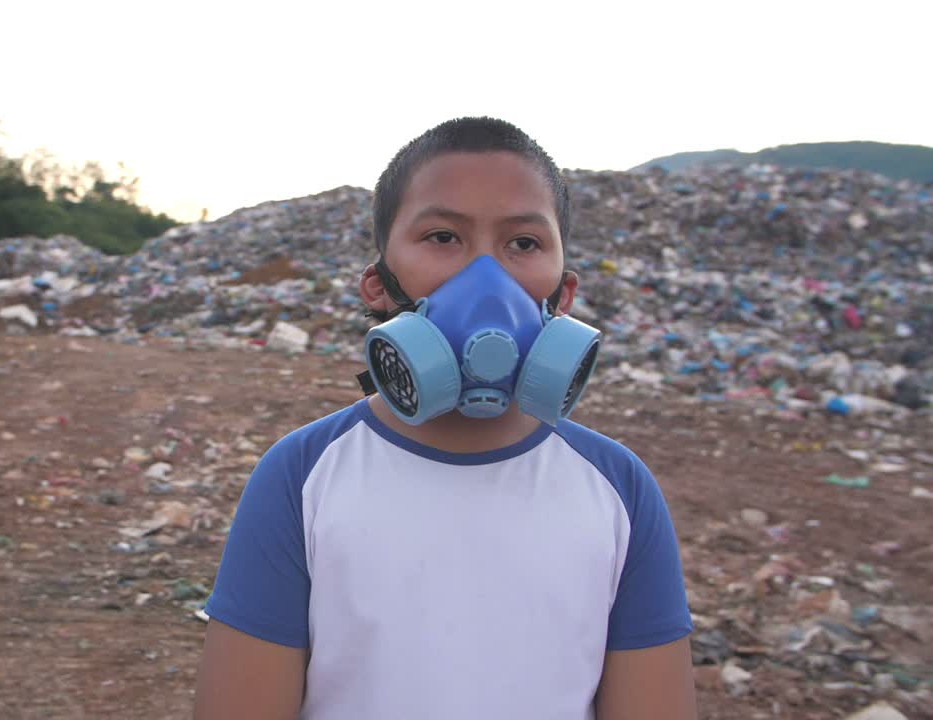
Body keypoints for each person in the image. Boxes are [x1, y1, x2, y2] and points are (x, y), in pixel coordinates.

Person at [194, 117, 696, 720]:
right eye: (442, 237)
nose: (486, 279)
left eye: (524, 244)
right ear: (379, 286)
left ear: (563, 296)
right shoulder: (302, 476)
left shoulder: (619, 489)